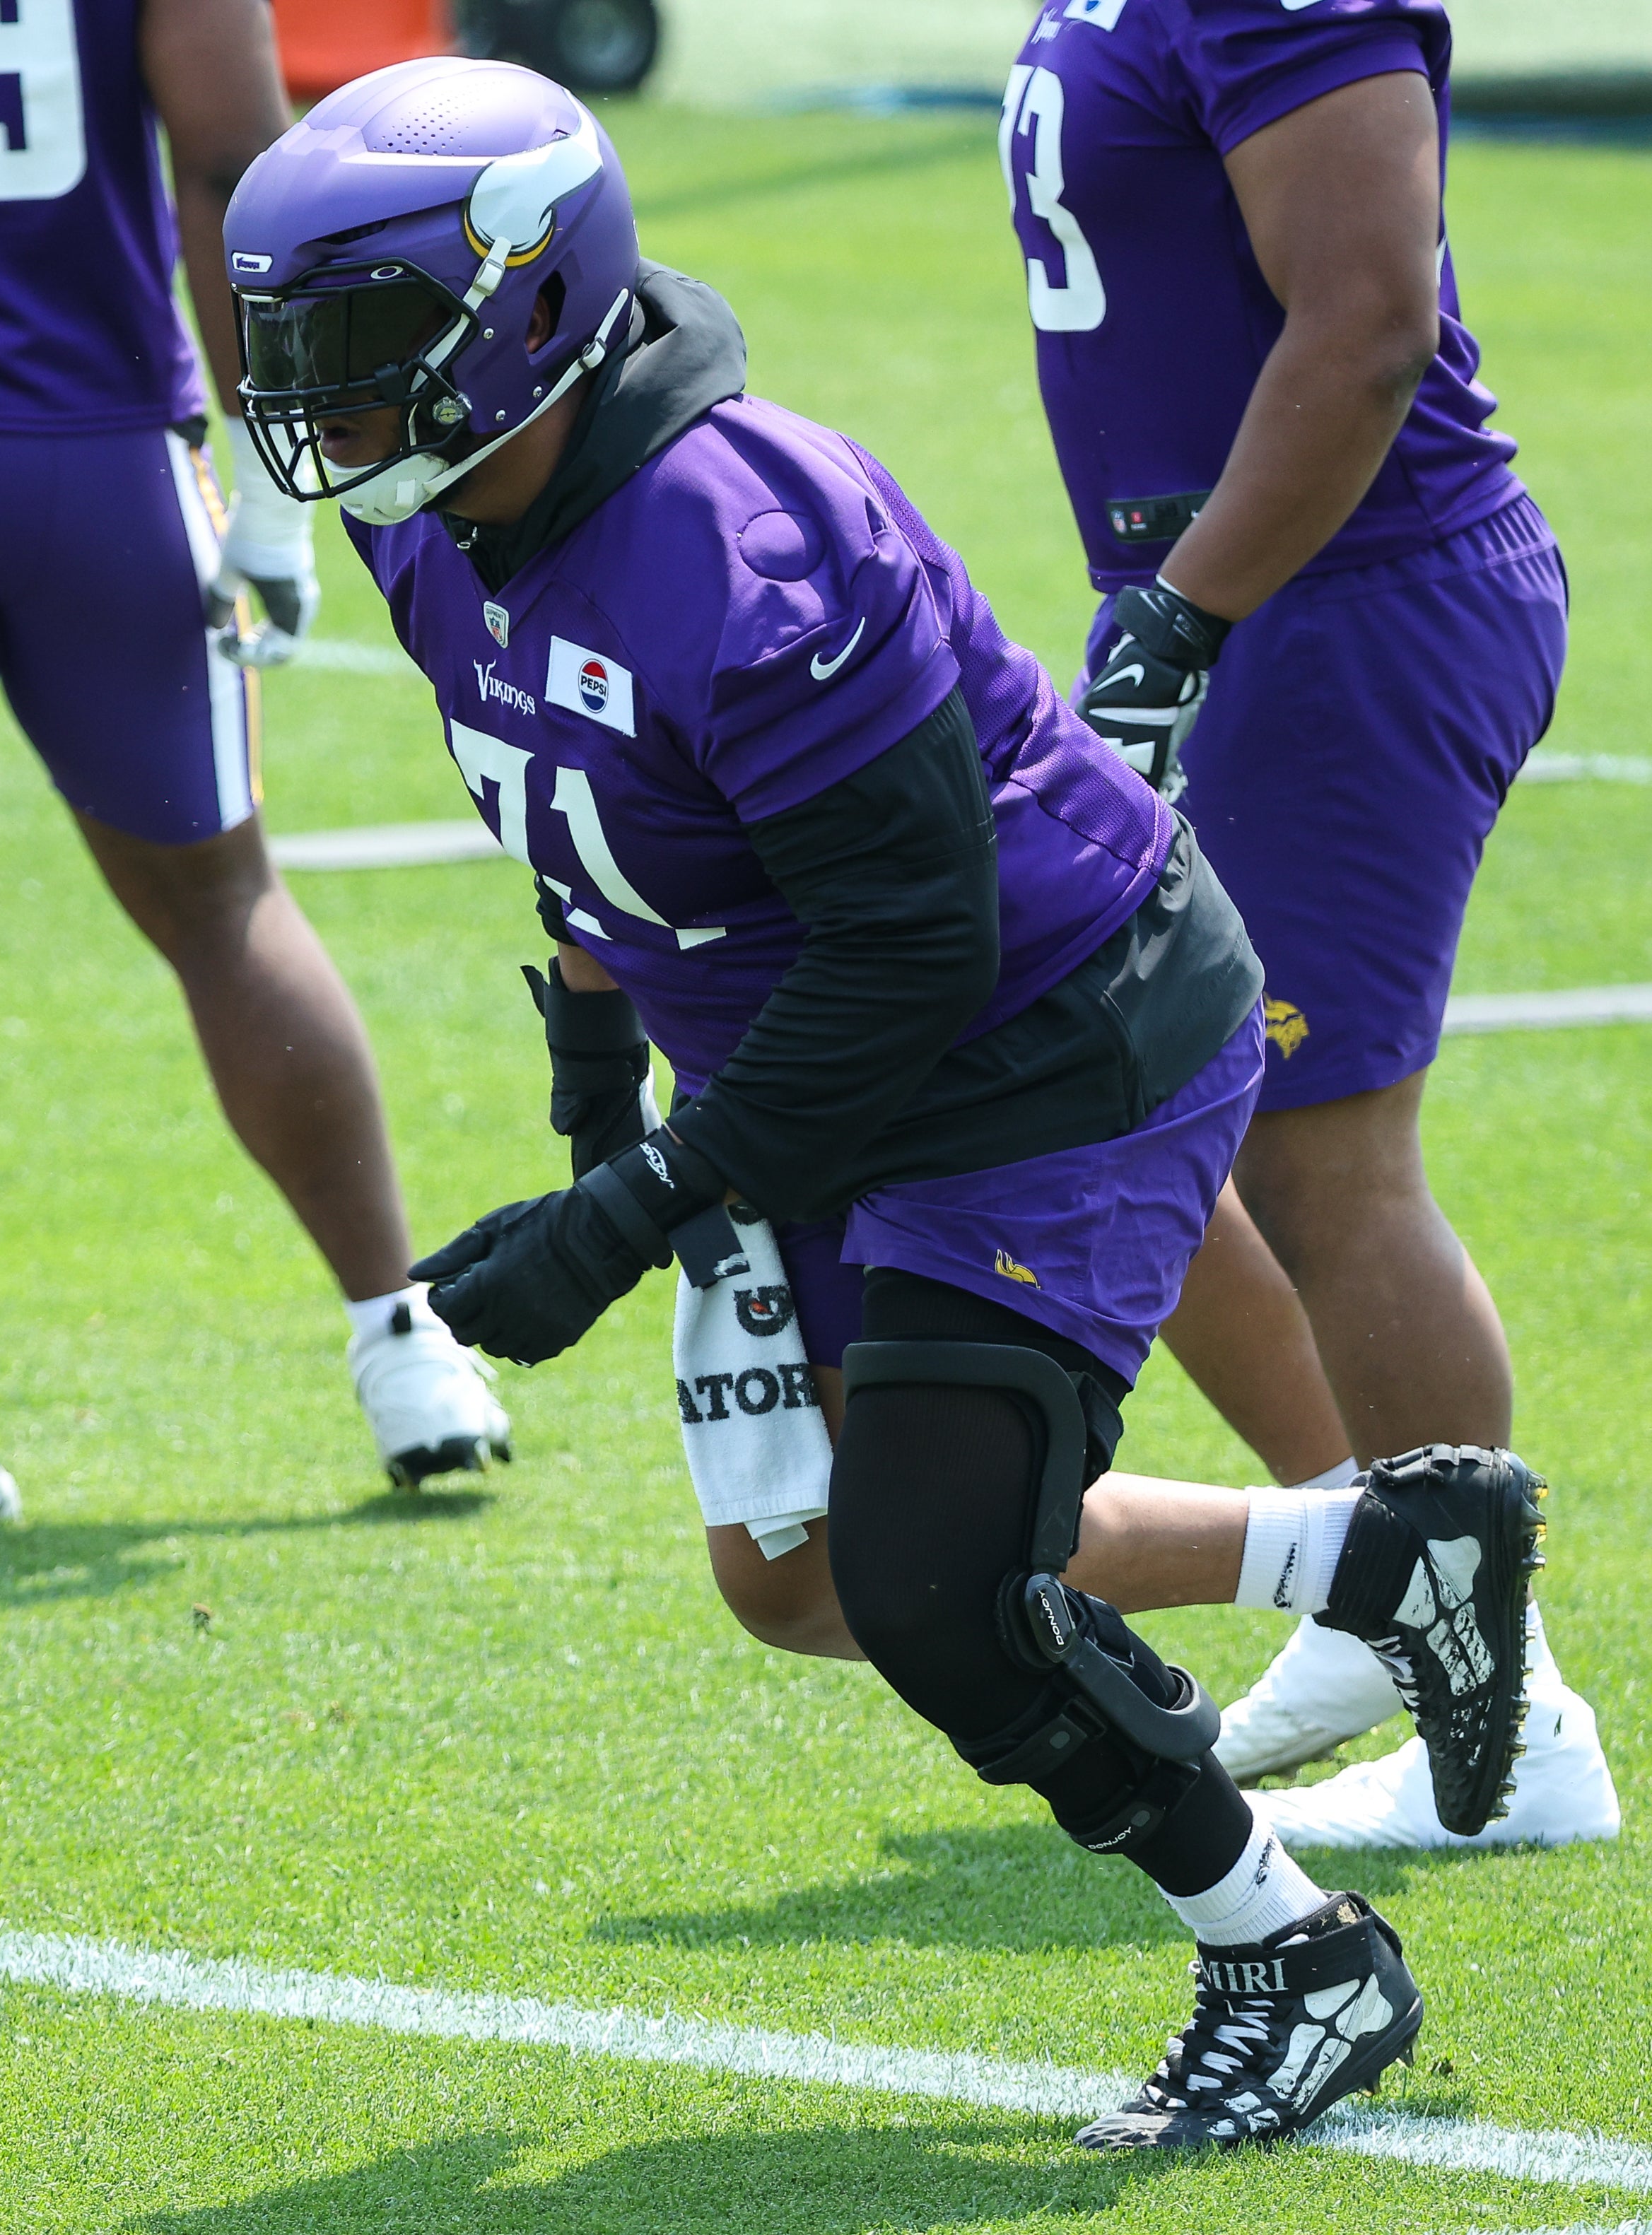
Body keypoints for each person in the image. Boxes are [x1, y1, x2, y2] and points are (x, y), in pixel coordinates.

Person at [223, 56, 1549, 2149]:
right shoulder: (444, 516)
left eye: (363, 340)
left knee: (934, 1583)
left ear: (529, 305)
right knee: (795, 1569)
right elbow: (571, 807)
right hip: (819, 1056)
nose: (323, 400)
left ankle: (1292, 1959)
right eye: (290, 347)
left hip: (1045, 1042)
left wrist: (636, 1208)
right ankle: (1385, 1558)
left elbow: (915, 948)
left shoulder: (741, 549)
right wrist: (596, 1083)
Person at [999, 0, 1615, 1847]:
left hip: (1339, 594)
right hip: (1251, 591)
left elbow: (1365, 323)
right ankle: (1380, 1591)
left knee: (1322, 1157)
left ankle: (1508, 1720)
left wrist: (1182, 617)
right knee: (1200, 1124)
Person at [0, 0, 510, 1532]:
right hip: (95, 449)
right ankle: (403, 1341)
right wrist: (280, 497)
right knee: (224, 905)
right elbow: (232, 160)